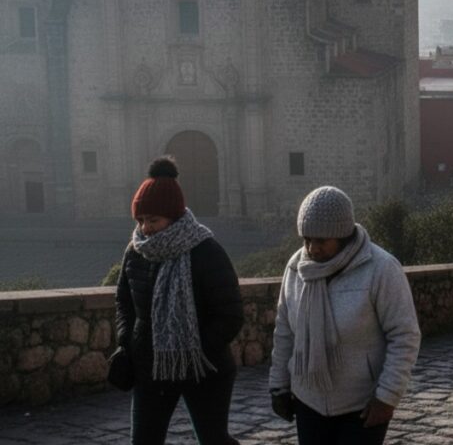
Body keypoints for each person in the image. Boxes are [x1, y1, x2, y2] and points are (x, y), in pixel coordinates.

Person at [269, 186, 421, 445]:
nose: (312, 249)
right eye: (306, 239)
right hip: (308, 400)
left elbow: (404, 335)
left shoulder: (381, 269)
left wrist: (387, 396)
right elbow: (285, 329)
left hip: (362, 404)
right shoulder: (297, 268)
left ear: (342, 235)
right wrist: (279, 385)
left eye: (321, 241)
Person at [113, 157, 243, 444]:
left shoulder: (206, 251)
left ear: (174, 216)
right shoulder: (136, 251)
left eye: (153, 220)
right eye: (141, 220)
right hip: (150, 366)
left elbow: (231, 313)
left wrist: (194, 351)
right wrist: (126, 341)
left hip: (203, 368)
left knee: (213, 439)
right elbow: (123, 299)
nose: (145, 228)